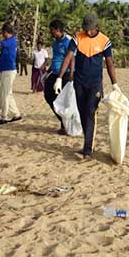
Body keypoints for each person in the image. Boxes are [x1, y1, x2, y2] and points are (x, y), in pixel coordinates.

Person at [56, 14, 118, 159]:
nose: (88, 32)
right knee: (82, 112)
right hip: (79, 82)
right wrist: (59, 78)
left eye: (90, 29)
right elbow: (69, 56)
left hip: (95, 84)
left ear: (96, 27)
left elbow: (109, 63)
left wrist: (114, 83)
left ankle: (88, 149)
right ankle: (87, 144)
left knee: (90, 112)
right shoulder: (77, 38)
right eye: (86, 29)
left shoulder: (105, 41)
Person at [43, 19, 74, 134]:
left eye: (52, 30)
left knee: (63, 100)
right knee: (48, 95)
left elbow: (71, 59)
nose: (50, 33)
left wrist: (70, 75)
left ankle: (65, 125)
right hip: (54, 73)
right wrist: (47, 72)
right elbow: (55, 59)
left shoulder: (69, 41)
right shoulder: (55, 43)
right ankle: (62, 120)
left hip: (64, 75)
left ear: (57, 30)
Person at [0, 23, 22, 125]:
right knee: (8, 93)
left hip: (8, 70)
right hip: (7, 69)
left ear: (6, 32)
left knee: (5, 94)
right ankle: (16, 114)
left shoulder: (10, 41)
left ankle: (4, 117)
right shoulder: (11, 41)